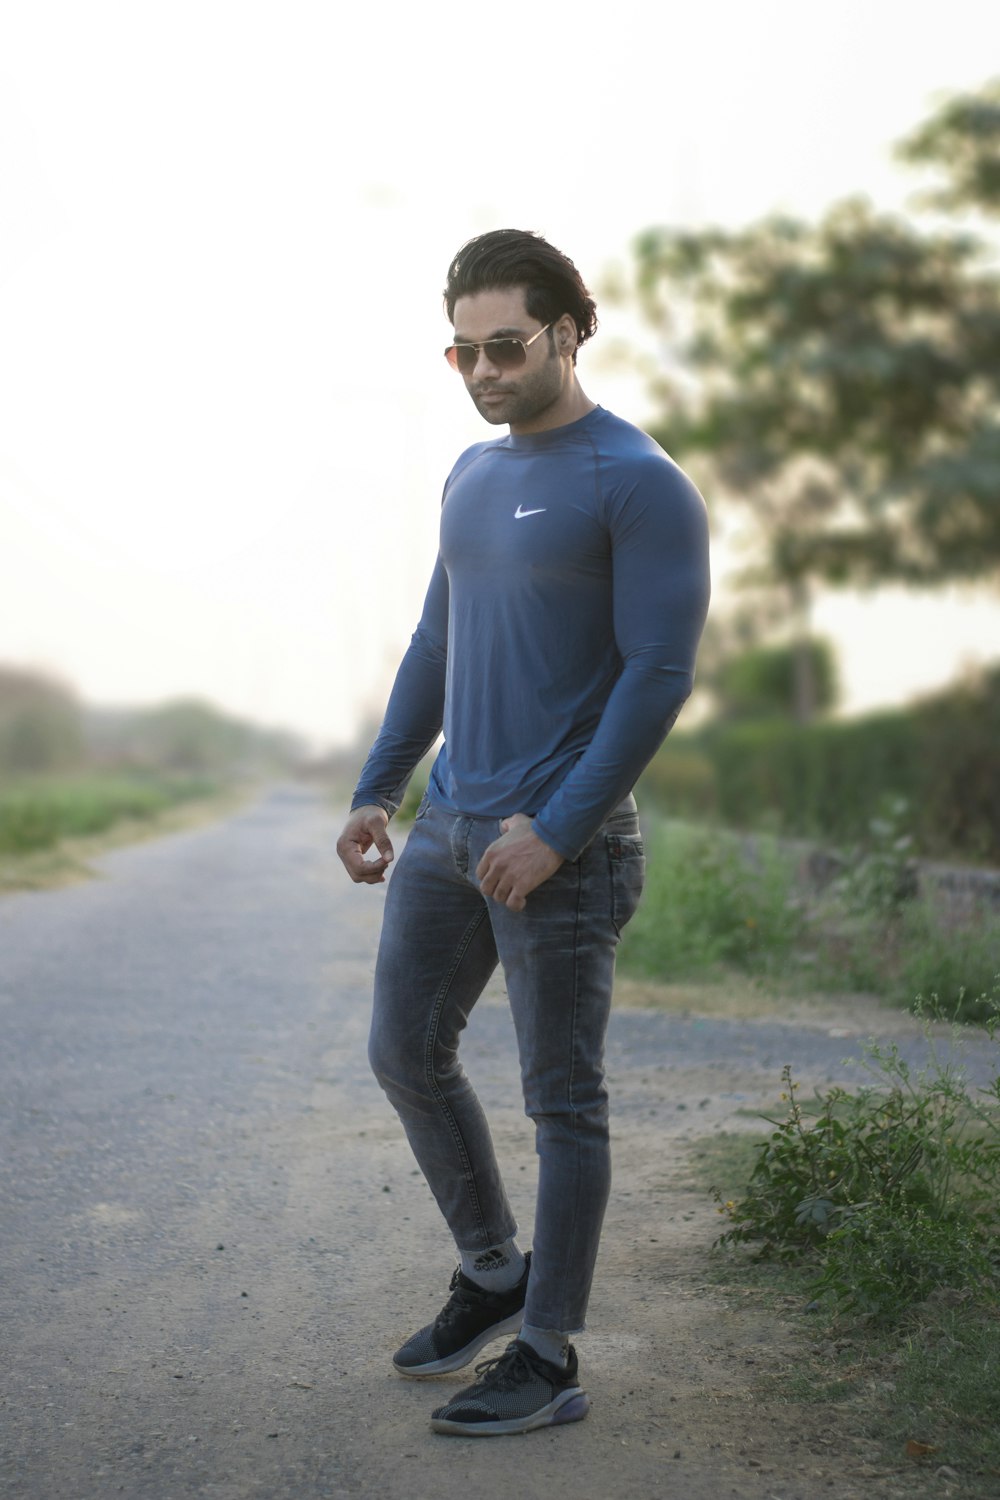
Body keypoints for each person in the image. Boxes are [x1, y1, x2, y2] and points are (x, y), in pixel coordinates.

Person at [336, 229, 710, 1437]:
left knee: (564, 1102)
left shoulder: (636, 480)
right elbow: (436, 643)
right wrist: (378, 789)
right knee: (405, 1053)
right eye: (463, 352)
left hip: (567, 845)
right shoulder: (470, 473)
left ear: (569, 330)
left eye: (507, 346)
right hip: (448, 826)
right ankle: (493, 1271)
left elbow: (657, 674)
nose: (486, 371)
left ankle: (549, 1356)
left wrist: (555, 829)